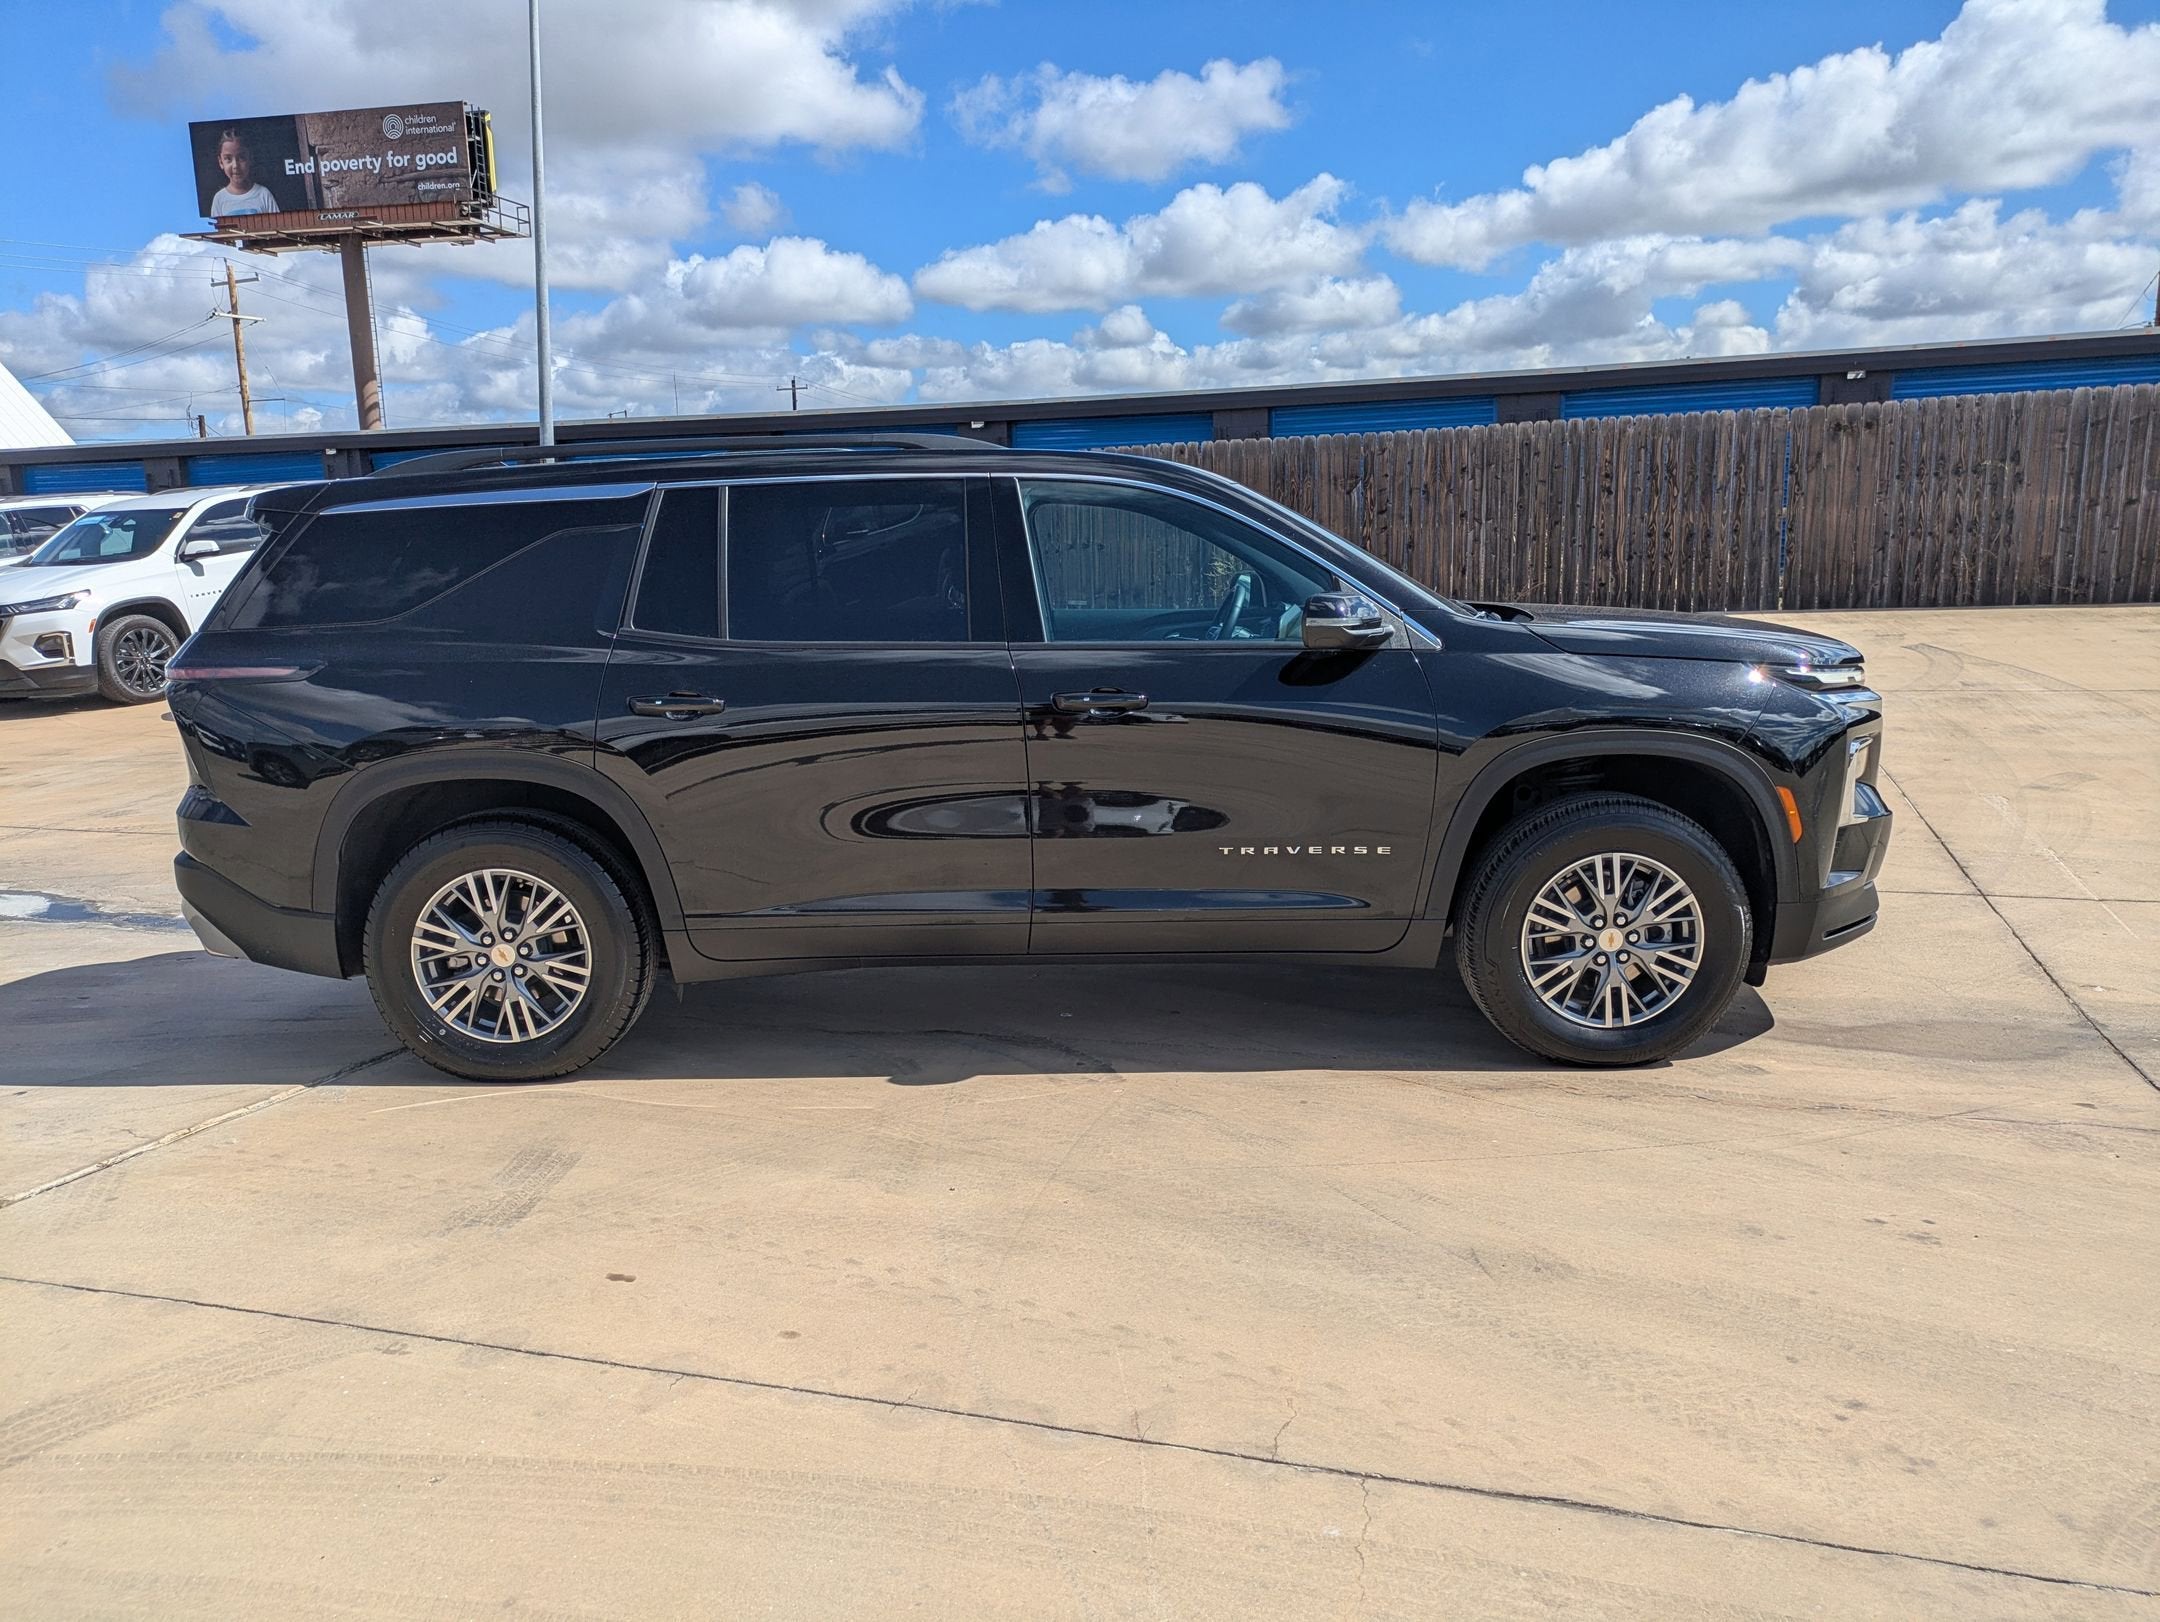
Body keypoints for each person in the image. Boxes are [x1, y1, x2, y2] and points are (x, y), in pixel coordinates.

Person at [209, 129, 279, 218]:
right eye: (228, 159)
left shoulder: (263, 194)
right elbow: (218, 231)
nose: (235, 165)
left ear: (250, 158)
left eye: (241, 157)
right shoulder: (219, 199)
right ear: (221, 162)